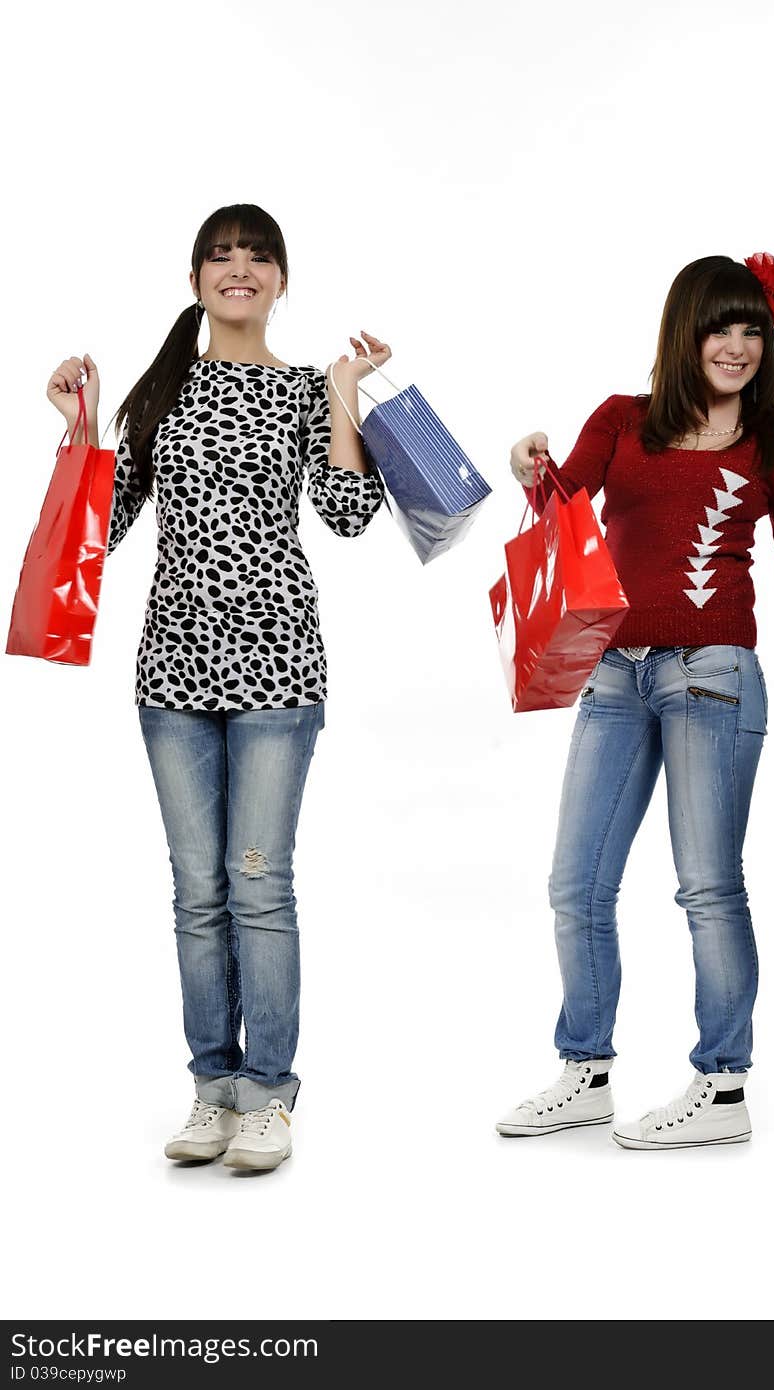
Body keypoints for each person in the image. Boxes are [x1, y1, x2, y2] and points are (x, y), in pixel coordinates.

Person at [496, 252, 774, 1150]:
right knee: (576, 883)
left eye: (752, 329)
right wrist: (527, 463)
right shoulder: (622, 421)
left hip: (713, 674)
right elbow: (562, 507)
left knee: (708, 886)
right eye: (720, 327)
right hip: (616, 673)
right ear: (685, 331)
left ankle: (723, 1086)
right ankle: (584, 1072)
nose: (737, 346)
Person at [47, 204, 389, 1172]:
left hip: (279, 667)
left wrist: (341, 397)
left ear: (281, 278)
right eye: (220, 255)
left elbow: (351, 513)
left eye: (256, 256)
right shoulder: (163, 392)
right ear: (195, 277)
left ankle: (269, 1098)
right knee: (196, 892)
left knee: (257, 883)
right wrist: (75, 430)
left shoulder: (299, 393)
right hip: (173, 672)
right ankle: (212, 1090)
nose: (237, 269)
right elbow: (95, 531)